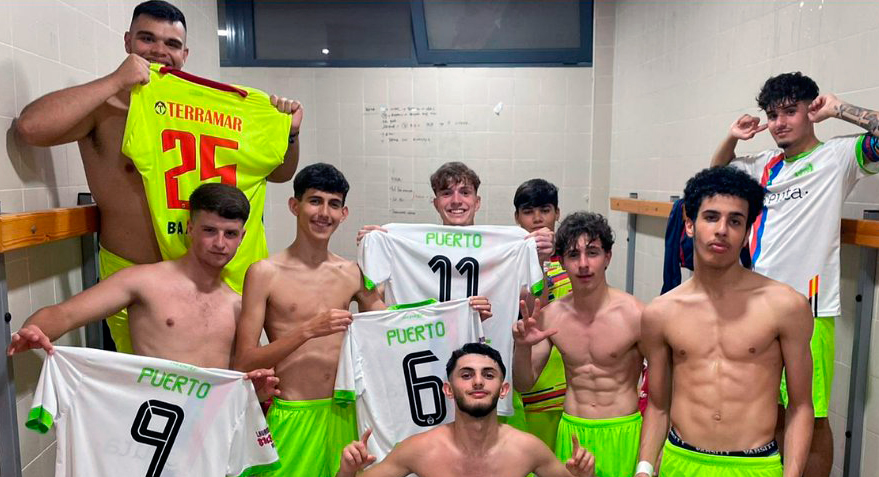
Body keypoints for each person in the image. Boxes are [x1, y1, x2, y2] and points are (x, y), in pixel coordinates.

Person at [12, 0, 303, 354]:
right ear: (127, 41)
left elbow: (280, 173)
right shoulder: (107, 105)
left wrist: (288, 132)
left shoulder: (214, 109)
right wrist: (115, 81)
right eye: (147, 39)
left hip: (212, 276)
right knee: (143, 381)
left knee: (222, 374)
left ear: (185, 54)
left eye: (172, 44)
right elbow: (30, 128)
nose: (159, 51)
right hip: (131, 273)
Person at [709, 72, 879, 477]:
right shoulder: (764, 164)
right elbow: (715, 176)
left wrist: (840, 109)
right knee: (773, 409)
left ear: (810, 111)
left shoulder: (837, 156)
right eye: (772, 115)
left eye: (789, 111)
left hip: (810, 310)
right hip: (759, 307)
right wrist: (732, 138)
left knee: (812, 415)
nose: (779, 122)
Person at [7, 183, 277, 398]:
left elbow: (244, 376)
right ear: (191, 228)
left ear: (241, 238)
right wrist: (34, 328)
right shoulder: (144, 282)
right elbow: (65, 314)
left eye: (230, 234)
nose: (220, 243)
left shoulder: (239, 306)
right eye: (209, 230)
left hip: (212, 428)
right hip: (152, 419)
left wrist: (258, 390)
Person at [636, 167, 814, 477]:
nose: (722, 230)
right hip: (681, 462)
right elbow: (658, 406)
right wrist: (644, 468)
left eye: (735, 221)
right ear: (689, 224)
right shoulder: (661, 312)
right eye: (711, 217)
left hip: (754, 465)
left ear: (746, 234)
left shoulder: (786, 306)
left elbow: (800, 406)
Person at [233, 163, 386, 477]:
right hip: (292, 414)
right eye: (315, 201)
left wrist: (386, 251)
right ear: (295, 205)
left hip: (345, 413)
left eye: (334, 204)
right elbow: (244, 361)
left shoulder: (353, 273)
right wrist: (307, 330)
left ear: (344, 213)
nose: (324, 213)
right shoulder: (264, 273)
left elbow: (393, 327)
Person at [335, 342, 595, 477]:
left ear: (503, 389)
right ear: (448, 389)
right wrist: (347, 470)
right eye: (467, 375)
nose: (478, 382)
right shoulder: (420, 449)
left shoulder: (528, 448)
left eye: (488, 375)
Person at [513, 212, 644, 477]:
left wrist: (650, 458)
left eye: (592, 253)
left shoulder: (636, 314)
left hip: (623, 433)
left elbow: (662, 395)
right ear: (561, 261)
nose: (583, 264)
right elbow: (524, 383)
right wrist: (522, 347)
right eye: (573, 255)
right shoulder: (551, 316)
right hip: (573, 432)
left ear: (607, 257)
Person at [512, 179, 570, 449]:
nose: (537, 219)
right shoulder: (509, 263)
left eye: (545, 210)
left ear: (557, 213)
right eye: (528, 212)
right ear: (517, 217)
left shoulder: (576, 260)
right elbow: (532, 309)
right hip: (531, 388)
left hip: (572, 393)